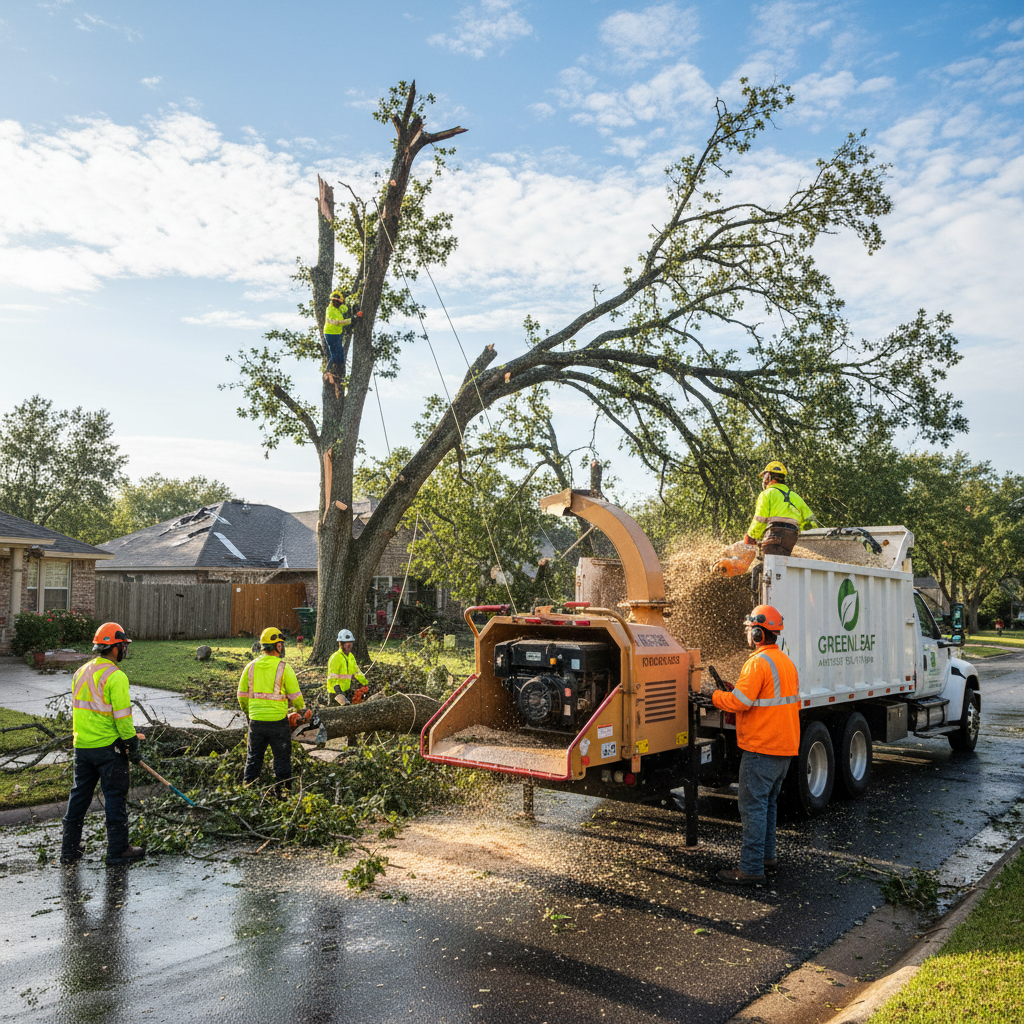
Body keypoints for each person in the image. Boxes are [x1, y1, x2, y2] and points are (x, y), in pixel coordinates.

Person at [709, 605, 800, 884]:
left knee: (752, 808)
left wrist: (715, 697)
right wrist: (734, 692)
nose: (748, 634)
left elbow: (741, 702)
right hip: (784, 748)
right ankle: (766, 857)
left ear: (759, 633)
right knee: (768, 805)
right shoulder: (786, 662)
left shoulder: (757, 663)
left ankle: (750, 869)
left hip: (762, 749)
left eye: (750, 630)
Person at [61, 622, 146, 866]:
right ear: (115, 648)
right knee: (115, 798)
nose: (125, 650)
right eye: (123, 646)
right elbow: (123, 718)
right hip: (109, 749)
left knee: (78, 798)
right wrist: (132, 744)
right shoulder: (115, 676)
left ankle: (69, 850)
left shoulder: (80, 672)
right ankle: (118, 850)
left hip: (82, 747)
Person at [238, 626, 306, 793]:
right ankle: (283, 794)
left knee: (253, 759)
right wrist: (302, 711)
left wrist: (250, 713)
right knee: (282, 760)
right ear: (278, 646)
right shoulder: (284, 668)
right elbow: (296, 696)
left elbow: (241, 696)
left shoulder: (250, 667)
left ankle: (247, 793)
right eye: (281, 644)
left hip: (256, 723)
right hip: (278, 723)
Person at [744, 461, 817, 557]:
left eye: (764, 476)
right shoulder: (795, 497)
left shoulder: (767, 494)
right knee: (781, 562)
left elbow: (759, 520)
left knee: (768, 563)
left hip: (774, 535)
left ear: (768, 476)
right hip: (791, 539)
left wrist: (751, 536)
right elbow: (811, 522)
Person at [326, 629, 369, 705]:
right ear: (341, 644)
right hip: (335, 693)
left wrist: (365, 683)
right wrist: (338, 692)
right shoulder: (336, 657)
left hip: (346, 690)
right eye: (346, 642)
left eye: (350, 642)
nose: (349, 644)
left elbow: (357, 672)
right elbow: (332, 677)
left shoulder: (351, 657)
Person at [324, 290, 359, 367]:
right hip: (330, 334)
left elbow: (345, 309)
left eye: (337, 301)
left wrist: (352, 310)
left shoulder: (339, 308)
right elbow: (339, 322)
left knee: (340, 355)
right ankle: (327, 370)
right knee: (335, 355)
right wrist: (352, 319)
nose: (335, 303)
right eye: (334, 301)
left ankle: (339, 369)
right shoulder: (331, 309)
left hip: (337, 333)